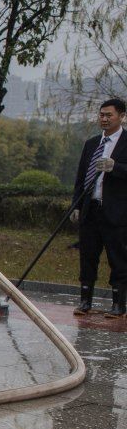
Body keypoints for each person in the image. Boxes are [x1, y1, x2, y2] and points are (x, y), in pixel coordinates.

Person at [70, 98, 127, 317]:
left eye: (109, 115)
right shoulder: (92, 143)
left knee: (118, 257)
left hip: (117, 212)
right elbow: (81, 177)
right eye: (101, 115)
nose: (104, 119)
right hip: (91, 209)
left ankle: (118, 304)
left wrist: (117, 167)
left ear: (121, 116)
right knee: (88, 256)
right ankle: (85, 301)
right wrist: (77, 204)